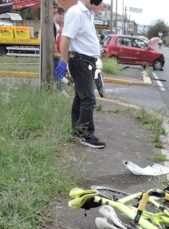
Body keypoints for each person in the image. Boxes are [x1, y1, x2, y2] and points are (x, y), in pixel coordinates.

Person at [60, 0, 105, 149]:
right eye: (96, 1)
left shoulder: (87, 14)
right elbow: (66, 38)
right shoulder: (76, 13)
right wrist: (63, 60)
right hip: (80, 61)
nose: (97, 4)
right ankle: (86, 135)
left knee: (80, 97)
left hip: (86, 61)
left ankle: (77, 131)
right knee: (88, 99)